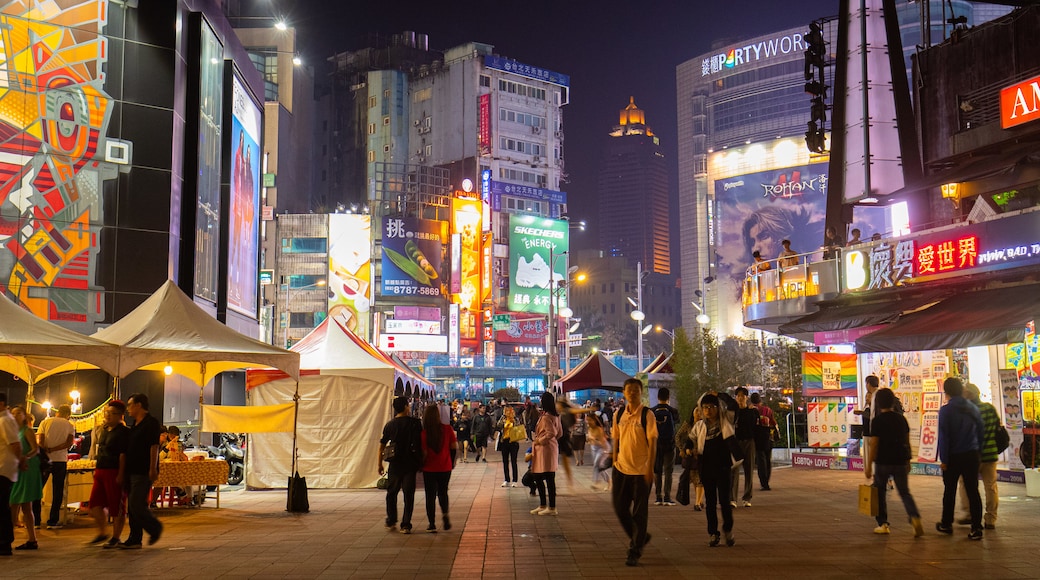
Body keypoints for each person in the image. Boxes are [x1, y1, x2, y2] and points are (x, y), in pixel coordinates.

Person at [864, 388, 924, 537]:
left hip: (883, 461)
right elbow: (907, 441)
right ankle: (914, 516)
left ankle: (883, 524)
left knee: (880, 492)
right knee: (904, 492)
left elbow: (874, 444)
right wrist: (908, 460)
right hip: (900, 460)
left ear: (878, 403)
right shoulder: (901, 419)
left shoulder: (877, 421)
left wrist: (868, 465)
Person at [612, 378, 658, 567]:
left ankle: (635, 550)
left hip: (641, 471)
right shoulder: (619, 413)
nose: (632, 393)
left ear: (641, 392)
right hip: (621, 469)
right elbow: (616, 438)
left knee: (639, 513)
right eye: (629, 390)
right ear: (623, 392)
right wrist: (614, 459)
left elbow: (653, 442)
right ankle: (641, 536)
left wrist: (650, 468)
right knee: (620, 508)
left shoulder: (647, 415)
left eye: (636, 390)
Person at [936, 377, 984, 540]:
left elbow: (944, 436)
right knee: (973, 491)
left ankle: (946, 523)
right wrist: (979, 452)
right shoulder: (972, 408)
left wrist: (944, 460)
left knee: (949, 490)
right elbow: (980, 432)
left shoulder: (946, 410)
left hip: (953, 456)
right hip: (971, 454)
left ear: (947, 392)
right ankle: (977, 527)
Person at [691, 392, 737, 547]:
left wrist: (720, 394)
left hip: (723, 466)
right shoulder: (699, 426)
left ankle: (728, 529)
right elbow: (689, 440)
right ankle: (713, 533)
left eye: (711, 407)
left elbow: (733, 405)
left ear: (718, 408)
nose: (708, 410)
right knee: (710, 502)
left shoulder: (726, 421)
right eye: (705, 407)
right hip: (706, 467)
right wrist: (689, 449)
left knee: (724, 501)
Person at [956, 383, 999, 530]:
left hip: (973, 455)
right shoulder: (990, 409)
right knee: (990, 487)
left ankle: (969, 513)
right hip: (991, 454)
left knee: (965, 483)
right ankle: (991, 519)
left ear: (971, 395)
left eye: (965, 393)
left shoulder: (968, 411)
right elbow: (996, 428)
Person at [122, 393, 163, 549]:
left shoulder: (151, 423)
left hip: (143, 470)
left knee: (136, 503)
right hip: (132, 469)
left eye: (130, 405)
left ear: (139, 405)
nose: (128, 409)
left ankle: (155, 528)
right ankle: (135, 537)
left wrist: (152, 468)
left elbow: (154, 446)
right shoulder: (135, 424)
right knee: (132, 506)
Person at [89, 400, 130, 548]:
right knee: (94, 503)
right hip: (101, 469)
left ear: (120, 416)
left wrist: (121, 473)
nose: (108, 416)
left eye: (112, 414)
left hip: (114, 471)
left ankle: (116, 536)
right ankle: (102, 531)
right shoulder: (104, 430)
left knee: (116, 505)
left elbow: (123, 454)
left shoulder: (123, 432)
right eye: (107, 413)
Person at [379, 396, 423, 534]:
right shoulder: (415, 423)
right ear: (405, 407)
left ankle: (391, 520)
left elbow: (382, 445)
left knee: (391, 493)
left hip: (395, 464)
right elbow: (421, 443)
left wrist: (379, 464)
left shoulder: (390, 425)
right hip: (410, 464)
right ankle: (405, 524)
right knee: (408, 494)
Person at [36, 404, 74, 529]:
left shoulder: (45, 422)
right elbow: (68, 443)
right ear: (68, 414)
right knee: (57, 490)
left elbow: (40, 441)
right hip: (60, 461)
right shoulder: (69, 425)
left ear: (57, 412)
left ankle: (35, 520)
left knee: (38, 488)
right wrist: (54, 449)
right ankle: (53, 521)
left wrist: (46, 450)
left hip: (45, 460)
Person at [9, 406, 42, 550]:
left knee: (15, 503)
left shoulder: (27, 430)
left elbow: (36, 449)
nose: (15, 416)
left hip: (27, 468)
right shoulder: (12, 432)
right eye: (14, 413)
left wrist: (25, 457)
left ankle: (7, 538)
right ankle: (31, 539)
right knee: (23, 506)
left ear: (24, 415)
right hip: (17, 467)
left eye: (18, 413)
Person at [421, 404, 456, 533]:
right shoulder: (447, 429)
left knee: (430, 496)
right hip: (445, 466)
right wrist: (451, 463)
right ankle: (445, 514)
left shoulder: (424, 434)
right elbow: (453, 447)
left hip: (429, 469)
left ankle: (431, 523)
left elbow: (424, 453)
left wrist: (421, 464)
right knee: (443, 492)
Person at [530, 392, 563, 516]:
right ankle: (545, 505)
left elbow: (551, 433)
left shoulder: (546, 417)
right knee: (547, 477)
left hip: (544, 449)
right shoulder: (555, 416)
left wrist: (539, 440)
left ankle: (550, 506)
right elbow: (559, 433)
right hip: (550, 448)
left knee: (542, 477)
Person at [1, 392, 25, 557]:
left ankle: (4, 543)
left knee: (2, 507)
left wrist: (21, 460)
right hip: (4, 467)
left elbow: (15, 444)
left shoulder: (5, 420)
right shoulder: (5, 419)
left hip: (3, 468)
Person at [731, 387, 758, 508]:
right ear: (735, 397)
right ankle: (732, 499)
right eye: (738, 396)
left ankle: (747, 497)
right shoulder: (732, 412)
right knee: (734, 470)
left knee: (749, 469)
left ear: (747, 397)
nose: (741, 398)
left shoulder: (753, 411)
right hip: (736, 443)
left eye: (743, 396)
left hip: (749, 442)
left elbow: (755, 427)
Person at [651, 387, 679, 506]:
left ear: (658, 397)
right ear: (668, 397)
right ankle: (667, 497)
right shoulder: (673, 411)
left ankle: (658, 497)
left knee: (657, 471)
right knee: (668, 471)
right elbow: (676, 424)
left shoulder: (651, 411)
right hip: (670, 444)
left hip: (657, 444)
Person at [750, 393, 776, 491]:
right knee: (767, 459)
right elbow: (773, 423)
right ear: (760, 400)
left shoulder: (751, 410)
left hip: (757, 438)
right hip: (768, 437)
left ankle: (764, 483)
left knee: (761, 461)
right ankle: (766, 481)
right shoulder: (767, 410)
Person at [496, 406, 522, 487]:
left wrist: (513, 420)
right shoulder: (503, 419)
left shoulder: (515, 419)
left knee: (514, 461)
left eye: (509, 411)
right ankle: (506, 479)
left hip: (513, 442)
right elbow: (498, 425)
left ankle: (515, 480)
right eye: (506, 411)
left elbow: (518, 428)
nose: (507, 412)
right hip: (504, 442)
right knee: (505, 461)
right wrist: (502, 418)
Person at [587, 413, 612, 491]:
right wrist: (590, 440)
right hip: (594, 448)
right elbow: (590, 441)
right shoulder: (589, 429)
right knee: (600, 467)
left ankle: (596, 482)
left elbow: (602, 443)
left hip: (603, 448)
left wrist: (593, 440)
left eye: (590, 420)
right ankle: (609, 481)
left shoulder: (599, 429)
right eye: (587, 420)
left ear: (594, 420)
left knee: (596, 464)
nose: (588, 422)